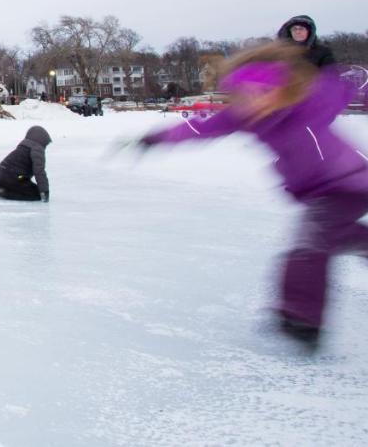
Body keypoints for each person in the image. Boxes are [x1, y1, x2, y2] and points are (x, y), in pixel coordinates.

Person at [136, 41, 366, 351]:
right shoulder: (242, 117)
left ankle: (301, 318)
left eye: (262, 92)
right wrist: (157, 137)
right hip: (315, 191)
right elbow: (200, 127)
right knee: (326, 237)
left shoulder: (309, 103)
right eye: (245, 95)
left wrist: (329, 73)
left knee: (308, 245)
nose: (253, 102)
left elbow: (339, 87)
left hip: (348, 182)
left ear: (283, 90)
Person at [0, 126, 52, 201]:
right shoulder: (37, 149)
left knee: (23, 181)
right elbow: (39, 171)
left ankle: (2, 182)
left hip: (5, 170)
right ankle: (5, 193)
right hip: (16, 177)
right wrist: (44, 191)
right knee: (35, 194)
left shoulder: (24, 145)